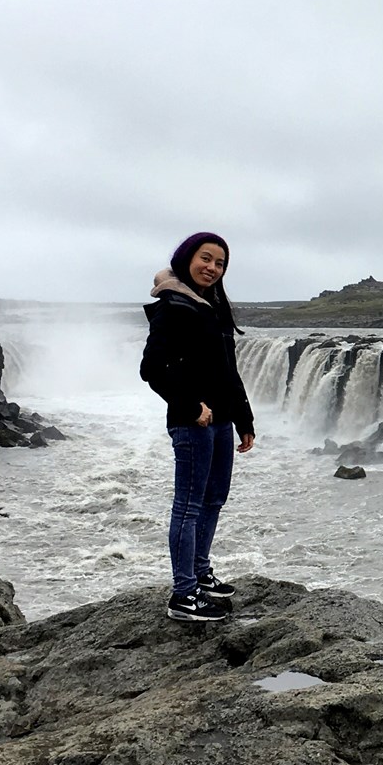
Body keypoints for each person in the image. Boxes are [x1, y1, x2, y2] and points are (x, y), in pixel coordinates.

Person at [140, 232, 256, 621]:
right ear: (187, 258)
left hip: (222, 422)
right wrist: (191, 407)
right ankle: (183, 595)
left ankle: (201, 572)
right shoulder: (174, 306)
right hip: (193, 424)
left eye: (220, 263)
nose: (212, 267)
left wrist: (244, 420)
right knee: (188, 506)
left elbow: (228, 372)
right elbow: (152, 369)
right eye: (205, 258)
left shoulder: (214, 307)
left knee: (213, 500)